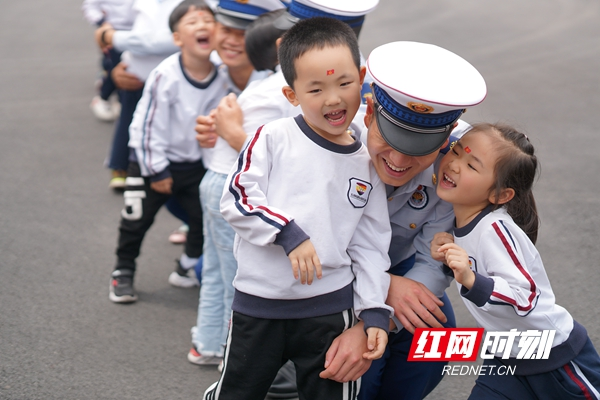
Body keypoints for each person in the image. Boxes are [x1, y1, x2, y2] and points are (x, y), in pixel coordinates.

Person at [203, 17, 393, 400]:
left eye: (344, 83)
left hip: (330, 309)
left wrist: (373, 310)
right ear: (292, 95)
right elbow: (237, 198)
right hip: (259, 305)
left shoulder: (367, 160)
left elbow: (371, 243)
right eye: (316, 88)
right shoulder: (271, 137)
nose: (334, 99)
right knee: (237, 393)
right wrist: (288, 233)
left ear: (361, 77)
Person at [313, 41, 487, 400]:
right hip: (329, 281)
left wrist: (384, 315)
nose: (397, 160)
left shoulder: (452, 165)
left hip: (406, 272)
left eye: (418, 148)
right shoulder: (324, 144)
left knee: (438, 335)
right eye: (389, 139)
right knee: (354, 373)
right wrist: (381, 291)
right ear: (369, 111)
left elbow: (433, 256)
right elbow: (309, 251)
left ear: (446, 134)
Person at [430, 123, 600, 399]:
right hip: (505, 357)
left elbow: (525, 295)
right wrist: (446, 259)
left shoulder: (495, 229)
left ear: (499, 195)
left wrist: (472, 279)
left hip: (552, 355)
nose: (455, 165)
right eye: (457, 151)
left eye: (472, 166)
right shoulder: (459, 224)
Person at [186, 0, 285, 367]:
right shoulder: (275, 87)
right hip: (235, 189)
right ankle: (235, 357)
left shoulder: (258, 84)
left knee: (215, 270)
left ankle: (209, 343)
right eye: (225, 28)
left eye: (242, 32)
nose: (230, 39)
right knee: (239, 282)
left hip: (215, 182)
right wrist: (227, 134)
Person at [109, 0, 227, 303]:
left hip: (194, 164)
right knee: (135, 220)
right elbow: (148, 126)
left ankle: (187, 266)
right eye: (192, 22)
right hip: (151, 162)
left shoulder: (223, 74)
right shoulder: (166, 74)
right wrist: (156, 169)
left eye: (207, 20)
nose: (202, 25)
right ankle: (122, 271)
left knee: (202, 219)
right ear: (177, 38)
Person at [95, 0, 183, 189]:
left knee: (162, 129)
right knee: (131, 123)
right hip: (135, 76)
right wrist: (122, 61)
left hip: (172, 82)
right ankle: (122, 167)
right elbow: (133, 27)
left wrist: (113, 37)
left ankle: (157, 173)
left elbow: (166, 41)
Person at [82, 0, 135, 122]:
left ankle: (121, 101)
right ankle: (102, 98)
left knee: (130, 68)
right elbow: (90, 7)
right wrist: (102, 23)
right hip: (112, 32)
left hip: (137, 33)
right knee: (115, 67)